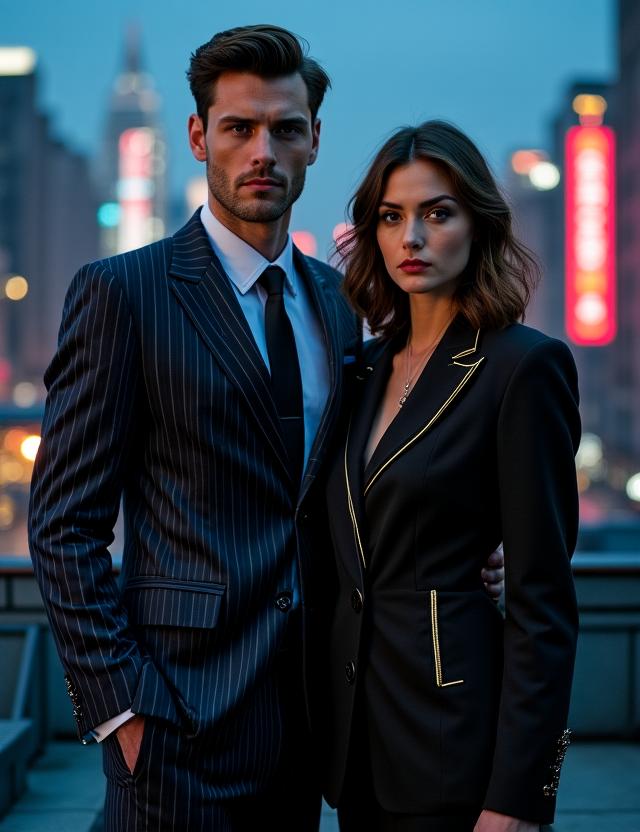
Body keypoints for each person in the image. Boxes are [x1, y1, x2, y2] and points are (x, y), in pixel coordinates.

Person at [28, 25, 504, 832]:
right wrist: (121, 711)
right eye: (238, 128)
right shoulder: (125, 294)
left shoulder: (340, 302)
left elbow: (352, 488)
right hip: (177, 727)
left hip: (314, 726)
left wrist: (468, 552)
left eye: (286, 129)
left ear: (314, 140)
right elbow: (62, 525)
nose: (263, 152)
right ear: (197, 136)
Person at [323, 121, 580, 832]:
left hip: (461, 754)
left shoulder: (522, 368)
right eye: (391, 216)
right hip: (359, 754)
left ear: (478, 225)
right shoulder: (361, 370)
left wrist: (524, 797)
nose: (412, 238)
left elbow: (546, 608)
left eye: (438, 213)